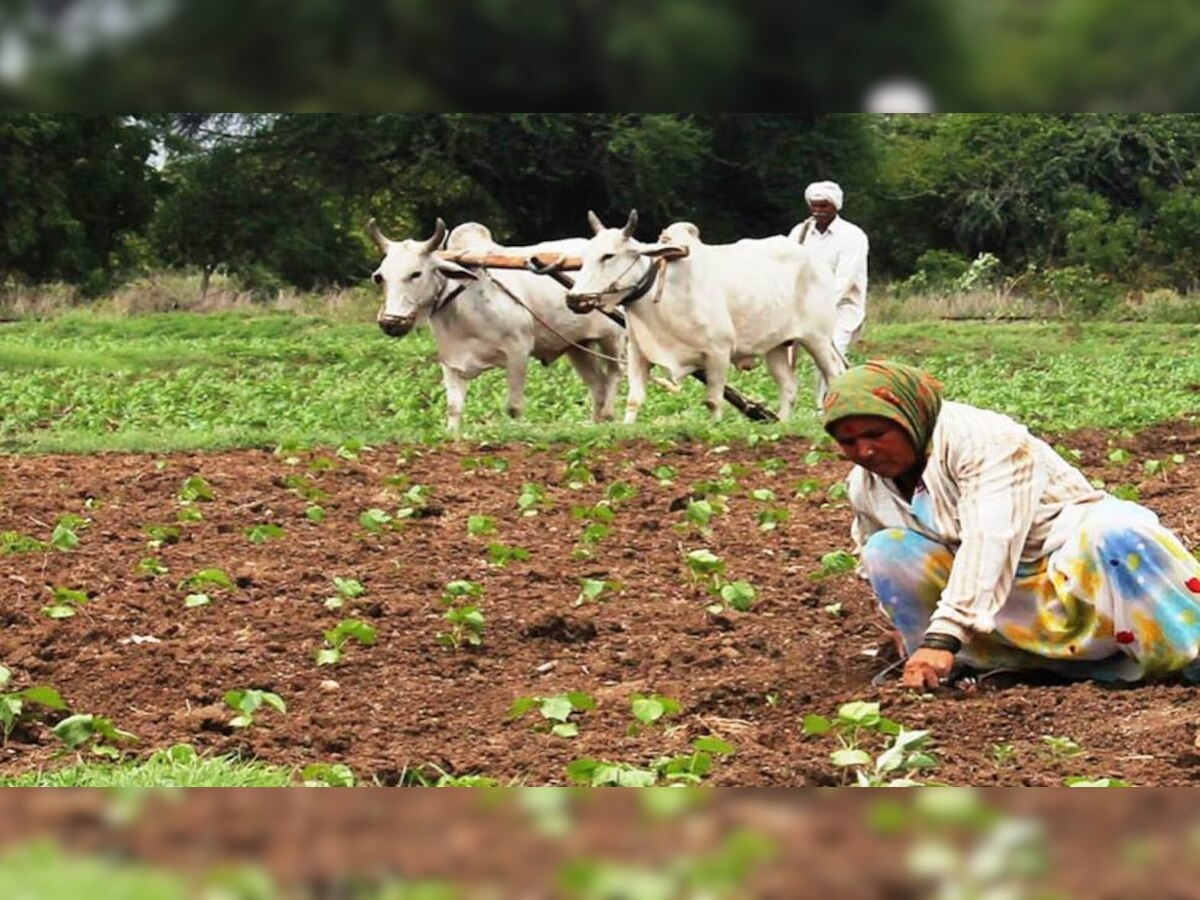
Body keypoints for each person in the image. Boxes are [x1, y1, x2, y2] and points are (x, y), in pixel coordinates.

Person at [821, 360, 1200, 691]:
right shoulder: (865, 485)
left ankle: (1187, 658)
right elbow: (872, 556)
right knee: (887, 549)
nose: (864, 452)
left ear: (910, 417)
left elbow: (991, 542)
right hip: (991, 602)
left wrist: (942, 636)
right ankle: (970, 665)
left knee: (1116, 532)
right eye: (848, 441)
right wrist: (909, 627)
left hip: (1065, 568)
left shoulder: (986, 441)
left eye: (876, 434)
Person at [789, 181, 870, 401]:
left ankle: (825, 408)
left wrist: (820, 307)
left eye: (824, 206)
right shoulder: (800, 232)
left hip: (840, 306)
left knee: (830, 354)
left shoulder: (853, 236)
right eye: (814, 205)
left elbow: (844, 279)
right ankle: (787, 402)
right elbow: (788, 267)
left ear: (835, 206)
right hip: (801, 306)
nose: (818, 211)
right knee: (785, 354)